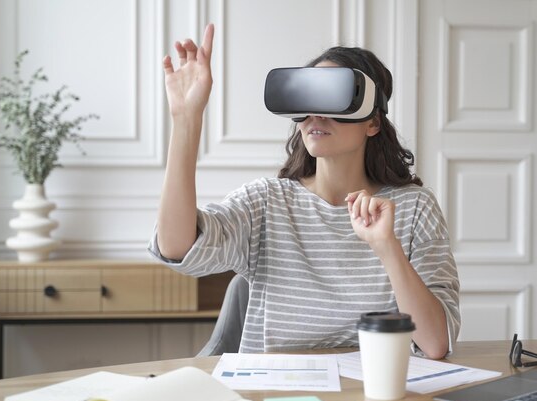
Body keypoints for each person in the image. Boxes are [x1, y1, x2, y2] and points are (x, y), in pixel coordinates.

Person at [149, 23, 460, 359]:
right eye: (306, 97)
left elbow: (435, 343)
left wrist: (387, 248)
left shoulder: (414, 208)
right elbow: (177, 247)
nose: (315, 114)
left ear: (372, 122)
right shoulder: (266, 203)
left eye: (332, 97)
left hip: (378, 396)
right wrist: (186, 120)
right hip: (280, 397)